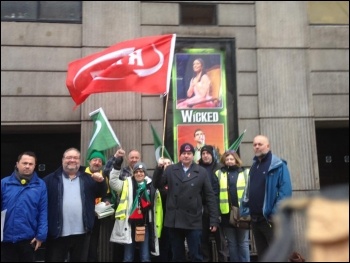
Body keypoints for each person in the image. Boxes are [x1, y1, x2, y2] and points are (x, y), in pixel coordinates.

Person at [153, 142, 220, 262]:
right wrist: (158, 169)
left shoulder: (201, 171)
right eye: (184, 153)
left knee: (196, 255)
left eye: (189, 153)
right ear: (180, 155)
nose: (186, 156)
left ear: (193, 155)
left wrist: (214, 219)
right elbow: (157, 184)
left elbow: (210, 197)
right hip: (174, 220)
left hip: (193, 220)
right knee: (177, 256)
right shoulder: (170, 170)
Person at [43, 147, 107, 262]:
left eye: (76, 158)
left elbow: (101, 193)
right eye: (69, 157)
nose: (72, 160)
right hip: (57, 234)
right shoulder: (50, 180)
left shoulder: (88, 179)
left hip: (82, 234)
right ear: (62, 160)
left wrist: (101, 182)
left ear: (79, 161)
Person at [244, 135, 292, 260]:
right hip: (256, 220)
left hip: (270, 220)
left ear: (268, 146)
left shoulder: (278, 165)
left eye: (260, 144)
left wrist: (275, 213)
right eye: (254, 144)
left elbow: (285, 192)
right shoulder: (255, 166)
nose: (257, 147)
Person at [109, 159, 162, 262]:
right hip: (129, 226)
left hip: (145, 225)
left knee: (145, 257)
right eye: (136, 171)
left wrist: (159, 168)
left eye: (141, 171)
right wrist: (117, 165)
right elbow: (113, 183)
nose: (139, 173)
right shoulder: (126, 183)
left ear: (145, 173)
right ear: (133, 173)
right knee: (128, 257)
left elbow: (158, 180)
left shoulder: (150, 185)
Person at [1, 151, 48, 262]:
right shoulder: (4, 183)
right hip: (6, 240)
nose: (27, 166)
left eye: (30, 164)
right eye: (24, 163)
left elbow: (43, 211)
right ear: (17, 164)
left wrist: (41, 236)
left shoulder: (40, 185)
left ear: (34, 166)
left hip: (29, 240)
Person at [103, 148, 141, 261]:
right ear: (127, 159)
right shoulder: (121, 171)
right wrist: (116, 157)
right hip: (123, 214)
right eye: (131, 157)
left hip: (138, 215)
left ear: (140, 159)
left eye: (136, 157)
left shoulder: (143, 172)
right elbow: (106, 171)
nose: (134, 160)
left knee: (138, 246)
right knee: (120, 247)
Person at [217, 150, 250, 262]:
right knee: (231, 243)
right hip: (226, 213)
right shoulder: (219, 173)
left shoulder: (246, 172)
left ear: (236, 160)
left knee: (243, 243)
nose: (229, 161)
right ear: (224, 161)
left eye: (231, 159)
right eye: (227, 159)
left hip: (242, 213)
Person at [198, 145, 228, 262]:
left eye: (208, 153)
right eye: (203, 154)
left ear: (212, 154)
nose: (205, 156)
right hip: (201, 209)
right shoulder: (197, 168)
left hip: (217, 208)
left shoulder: (220, 168)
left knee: (221, 242)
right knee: (203, 241)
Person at [86, 151, 109, 262]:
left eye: (100, 161)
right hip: (82, 215)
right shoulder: (82, 174)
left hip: (96, 215)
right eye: (95, 160)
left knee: (93, 243)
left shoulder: (104, 176)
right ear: (89, 162)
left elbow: (106, 194)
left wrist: (106, 201)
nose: (97, 162)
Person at [152, 157, 173, 262]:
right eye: (165, 163)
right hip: (162, 218)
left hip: (175, 218)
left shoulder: (175, 177)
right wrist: (159, 168)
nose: (167, 165)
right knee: (163, 244)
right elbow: (156, 183)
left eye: (169, 163)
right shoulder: (160, 180)